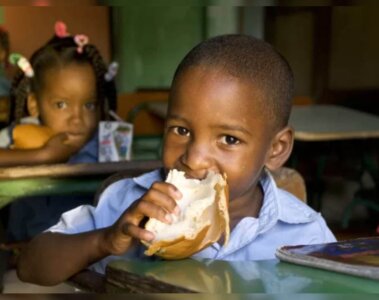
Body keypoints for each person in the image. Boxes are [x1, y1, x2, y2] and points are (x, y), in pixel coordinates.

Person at [17, 34, 336, 286]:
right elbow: (30, 266)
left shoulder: (305, 235)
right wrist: (104, 240)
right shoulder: (129, 204)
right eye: (181, 130)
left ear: (276, 149)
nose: (194, 159)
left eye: (229, 139)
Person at [0, 22, 117, 242]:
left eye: (89, 105)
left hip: (85, 255)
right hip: (24, 253)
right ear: (35, 105)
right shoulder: (23, 135)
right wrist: (41, 156)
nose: (77, 118)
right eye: (61, 104)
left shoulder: (107, 145)